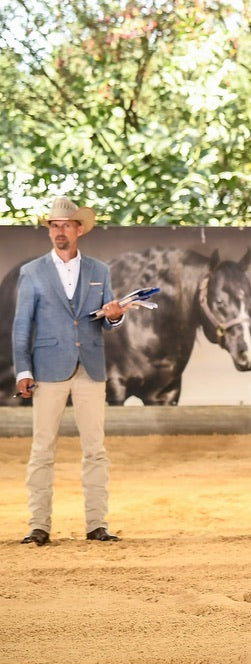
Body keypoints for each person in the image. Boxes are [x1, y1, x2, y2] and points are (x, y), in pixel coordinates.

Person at [12, 197, 131, 545]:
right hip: (47, 370)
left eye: (65, 225)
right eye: (54, 226)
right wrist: (23, 370)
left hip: (90, 369)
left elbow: (106, 321)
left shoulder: (99, 270)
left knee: (95, 449)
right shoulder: (32, 271)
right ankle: (39, 526)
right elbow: (22, 327)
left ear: (79, 229)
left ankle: (97, 524)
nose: (59, 231)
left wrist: (114, 316)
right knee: (42, 449)